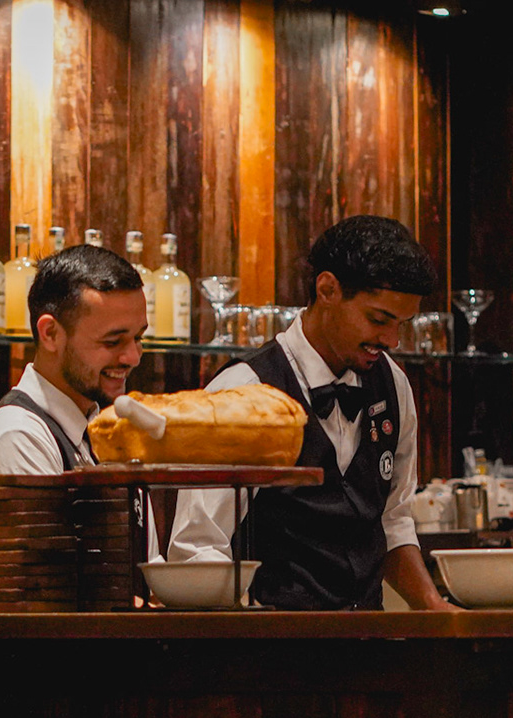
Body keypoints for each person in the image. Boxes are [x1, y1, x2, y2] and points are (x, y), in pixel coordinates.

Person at [167, 215, 454, 611]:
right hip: (272, 639)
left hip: (371, 639)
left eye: (402, 324)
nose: (392, 340)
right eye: (378, 320)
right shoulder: (244, 391)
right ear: (327, 289)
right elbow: (197, 545)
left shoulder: (394, 385)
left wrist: (434, 608)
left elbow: (393, 520)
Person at [0, 244, 149, 474]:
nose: (133, 358)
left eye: (138, 338)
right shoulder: (18, 436)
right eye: (112, 341)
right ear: (50, 334)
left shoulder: (93, 429)